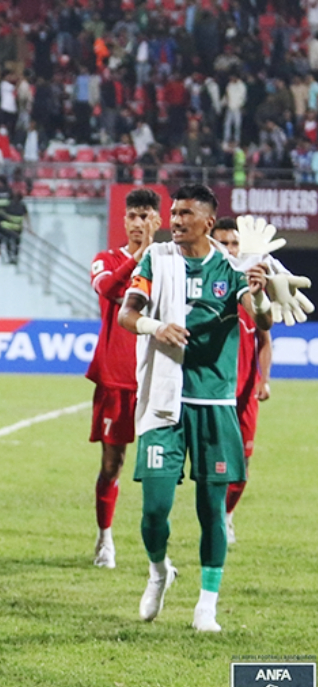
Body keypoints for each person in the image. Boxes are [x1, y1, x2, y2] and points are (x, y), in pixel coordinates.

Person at [118, 184, 273, 633]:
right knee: (154, 510)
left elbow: (259, 319)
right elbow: (127, 315)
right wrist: (154, 327)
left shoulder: (231, 268)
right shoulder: (156, 259)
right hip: (164, 402)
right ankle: (158, 570)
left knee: (211, 509)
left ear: (208, 222)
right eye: (174, 211)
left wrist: (260, 295)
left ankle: (207, 602)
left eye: (185, 213)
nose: (176, 219)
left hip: (213, 403)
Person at [85, 189, 161, 569]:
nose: (138, 223)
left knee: (158, 466)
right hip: (116, 377)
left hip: (158, 378)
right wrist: (138, 256)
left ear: (157, 221)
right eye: (132, 216)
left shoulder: (168, 263)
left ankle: (156, 552)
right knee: (113, 463)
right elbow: (109, 289)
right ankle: (105, 538)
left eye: (145, 216)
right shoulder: (106, 260)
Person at [210, 217, 272, 545]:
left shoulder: (251, 294)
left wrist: (264, 380)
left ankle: (226, 515)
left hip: (245, 394)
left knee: (242, 465)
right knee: (216, 464)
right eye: (223, 243)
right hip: (214, 394)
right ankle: (214, 518)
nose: (230, 249)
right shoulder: (207, 289)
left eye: (235, 244)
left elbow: (265, 339)